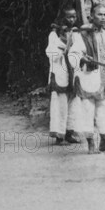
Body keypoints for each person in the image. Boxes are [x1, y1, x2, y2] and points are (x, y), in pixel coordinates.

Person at [68, 4, 105, 154]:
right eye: (99, 14)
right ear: (91, 16)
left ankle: (104, 143)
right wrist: (83, 59)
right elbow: (73, 54)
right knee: (87, 111)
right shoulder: (81, 35)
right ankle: (91, 144)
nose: (103, 18)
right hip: (88, 78)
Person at [46, 8, 82, 144]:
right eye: (69, 17)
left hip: (73, 71)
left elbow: (80, 50)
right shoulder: (54, 35)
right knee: (59, 104)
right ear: (63, 18)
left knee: (73, 103)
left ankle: (69, 132)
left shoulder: (77, 33)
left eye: (73, 17)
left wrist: (74, 53)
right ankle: (58, 135)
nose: (71, 20)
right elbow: (50, 52)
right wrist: (62, 50)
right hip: (60, 70)